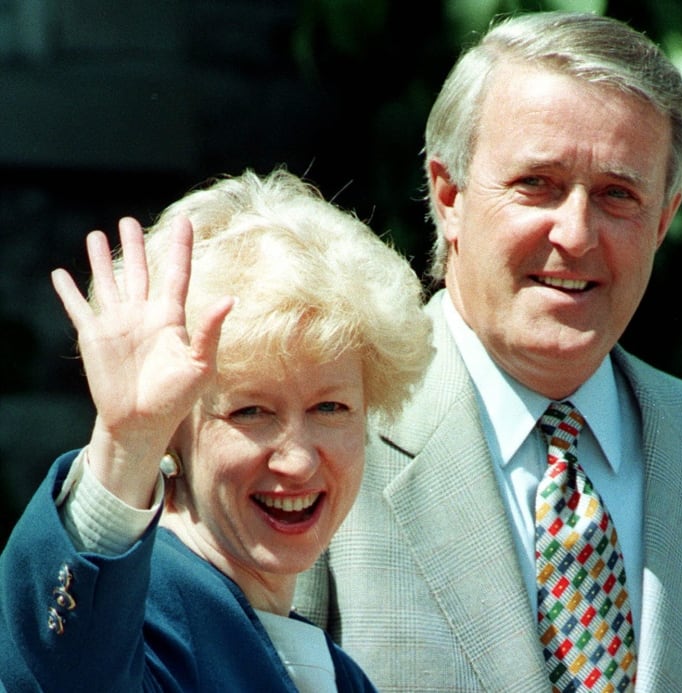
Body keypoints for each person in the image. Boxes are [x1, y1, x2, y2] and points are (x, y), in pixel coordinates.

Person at [293, 10, 682, 693]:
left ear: (663, 219)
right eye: (537, 185)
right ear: (450, 194)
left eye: (618, 194)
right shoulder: (316, 437)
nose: (576, 234)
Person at [0, 168, 433, 692]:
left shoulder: (341, 677)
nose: (297, 460)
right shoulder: (143, 623)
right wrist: (127, 444)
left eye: (331, 408)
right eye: (250, 412)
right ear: (174, 433)